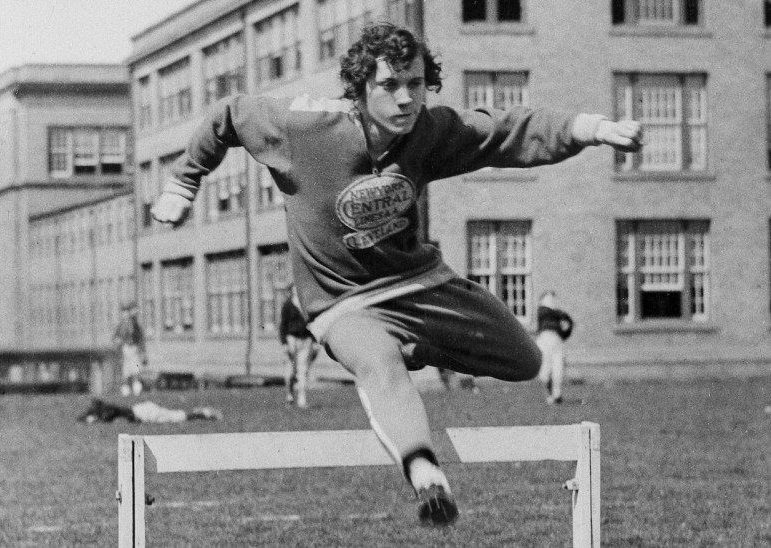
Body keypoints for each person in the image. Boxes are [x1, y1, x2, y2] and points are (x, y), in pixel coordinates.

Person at [151, 22, 642, 527]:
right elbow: (229, 115)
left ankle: (416, 346)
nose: (406, 98)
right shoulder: (305, 129)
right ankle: (424, 470)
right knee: (377, 362)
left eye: (415, 83)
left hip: (419, 281)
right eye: (389, 85)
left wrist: (591, 128)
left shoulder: (428, 132)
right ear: (361, 88)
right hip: (342, 301)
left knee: (526, 360)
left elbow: (505, 131)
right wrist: (184, 183)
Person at [279, 284, 319, 408]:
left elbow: (313, 322)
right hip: (292, 339)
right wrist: (284, 343)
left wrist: (315, 341)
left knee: (303, 370)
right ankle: (289, 395)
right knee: (291, 371)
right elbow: (283, 325)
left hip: (305, 339)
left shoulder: (306, 304)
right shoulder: (288, 305)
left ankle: (302, 400)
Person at [535, 291, 574, 405]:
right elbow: (547, 312)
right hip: (545, 340)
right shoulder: (543, 311)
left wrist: (565, 330)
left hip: (556, 340)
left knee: (558, 367)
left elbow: (568, 326)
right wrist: (562, 315)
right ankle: (550, 393)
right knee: (545, 371)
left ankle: (557, 395)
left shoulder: (557, 314)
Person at [77, 398, 222, 423]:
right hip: (142, 409)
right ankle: (200, 412)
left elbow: (108, 419)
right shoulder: (108, 408)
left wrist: (93, 419)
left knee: (176, 417)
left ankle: (204, 413)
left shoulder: (107, 411)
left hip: (144, 413)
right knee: (174, 415)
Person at [112, 303, 147, 396]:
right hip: (125, 350)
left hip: (133, 349)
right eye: (123, 313)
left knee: (135, 369)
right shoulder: (121, 325)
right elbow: (116, 338)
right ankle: (126, 391)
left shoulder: (134, 325)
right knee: (125, 371)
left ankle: (136, 390)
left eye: (126, 313)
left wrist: (142, 351)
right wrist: (118, 342)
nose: (125, 315)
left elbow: (140, 338)